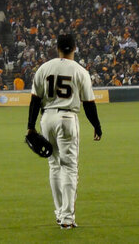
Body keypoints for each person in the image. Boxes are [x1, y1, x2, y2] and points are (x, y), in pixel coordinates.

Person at [26, 34, 102, 229]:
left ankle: (59, 213)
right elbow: (89, 104)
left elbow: (35, 100)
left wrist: (30, 126)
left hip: (47, 118)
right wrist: (96, 125)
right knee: (69, 167)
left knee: (54, 165)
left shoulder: (44, 68)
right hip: (68, 118)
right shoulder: (80, 71)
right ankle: (67, 218)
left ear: (57, 47)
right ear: (75, 48)